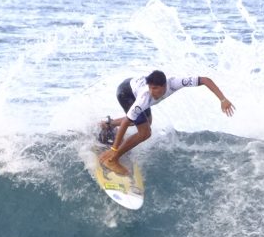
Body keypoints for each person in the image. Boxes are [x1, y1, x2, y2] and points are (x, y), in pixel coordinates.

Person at [98, 70, 235, 175]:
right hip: (126, 93)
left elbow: (205, 80)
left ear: (164, 86)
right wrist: (114, 149)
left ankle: (108, 124)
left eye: (155, 88)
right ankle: (112, 159)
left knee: (146, 121)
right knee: (145, 133)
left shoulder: (174, 83)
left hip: (131, 85)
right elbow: (127, 122)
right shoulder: (144, 99)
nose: (152, 92)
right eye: (150, 88)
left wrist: (223, 100)